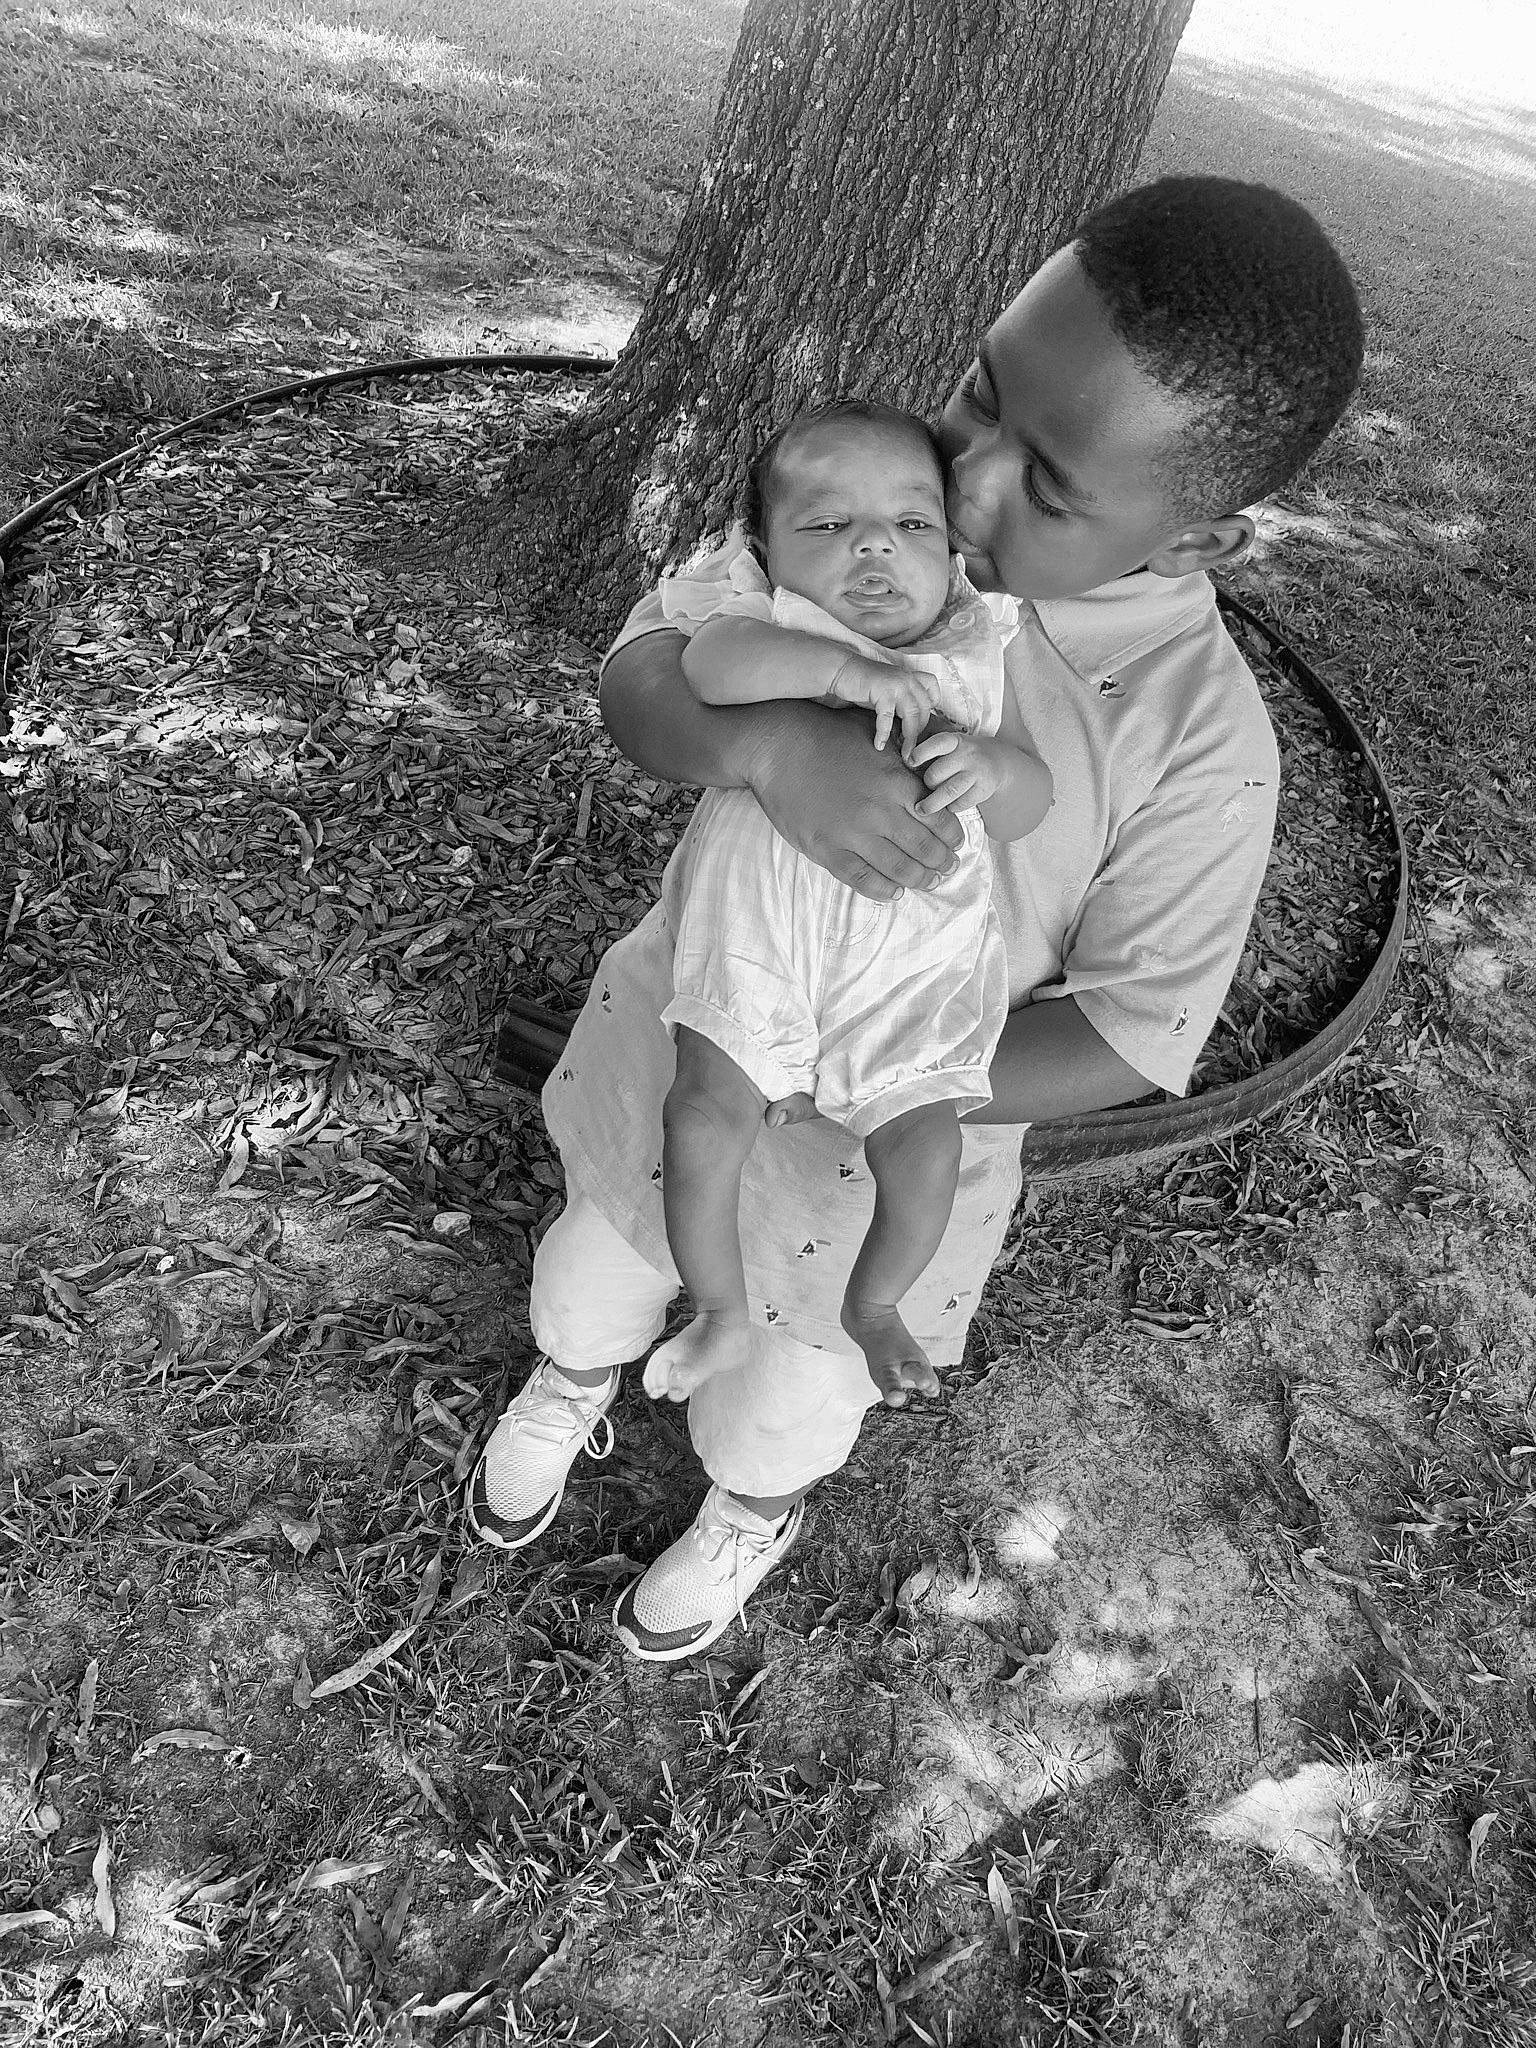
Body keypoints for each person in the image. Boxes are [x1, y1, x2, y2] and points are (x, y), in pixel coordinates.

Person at [465, 176, 1364, 1663]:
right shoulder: (853, 515)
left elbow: (1134, 1038)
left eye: (1050, 486)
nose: (967, 474)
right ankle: (574, 1378)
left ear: (1202, 542)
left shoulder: (1203, 747)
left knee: (791, 1392)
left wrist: (876, 1074)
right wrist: (758, 745)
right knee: (596, 1263)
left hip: (873, 1179)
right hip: (682, 1065)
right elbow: (642, 674)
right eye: (979, 393)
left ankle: (748, 1510)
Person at [646, 400, 1052, 1412]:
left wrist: (992, 766)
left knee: (928, 1145)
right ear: (765, 548)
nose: (874, 545)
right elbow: (704, 664)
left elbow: (1031, 801)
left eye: (913, 524)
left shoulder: (975, 640)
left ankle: (875, 1305)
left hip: (907, 971)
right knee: (702, 1114)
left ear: (954, 549)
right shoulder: (770, 621)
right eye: (827, 526)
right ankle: (719, 1308)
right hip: (759, 947)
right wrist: (837, 668)